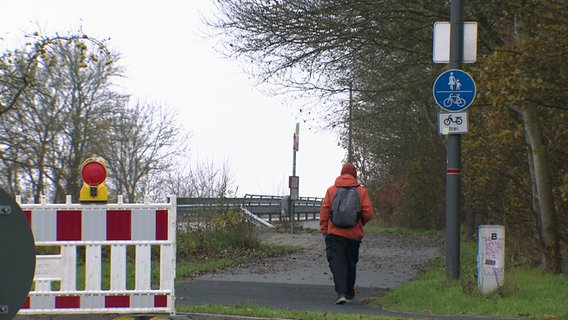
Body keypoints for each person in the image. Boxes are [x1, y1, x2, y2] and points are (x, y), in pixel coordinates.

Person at [320, 163, 374, 304]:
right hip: (354, 235)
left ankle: (341, 293)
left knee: (337, 262)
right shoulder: (361, 192)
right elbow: (368, 213)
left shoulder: (331, 190)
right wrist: (360, 222)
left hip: (334, 234)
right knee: (351, 263)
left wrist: (324, 230)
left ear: (341, 173)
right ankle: (349, 293)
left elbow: (325, 211)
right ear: (354, 175)